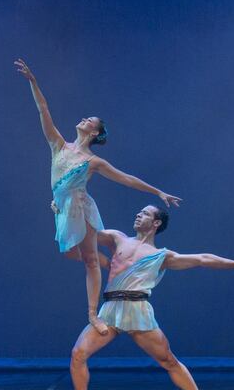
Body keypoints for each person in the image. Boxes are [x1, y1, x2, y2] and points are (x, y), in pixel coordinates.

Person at [15, 59, 182, 335]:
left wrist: (157, 191)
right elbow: (43, 109)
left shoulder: (93, 162)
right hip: (63, 209)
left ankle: (93, 314)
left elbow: (126, 178)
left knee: (90, 261)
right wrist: (33, 81)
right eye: (85, 118)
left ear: (93, 132)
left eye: (89, 121)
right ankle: (111, 263)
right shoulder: (59, 145)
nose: (83, 120)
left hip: (81, 207)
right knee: (71, 253)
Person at [64, 204, 234, 390]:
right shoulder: (117, 238)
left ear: (156, 223)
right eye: (139, 211)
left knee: (168, 360)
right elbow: (85, 232)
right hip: (110, 310)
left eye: (145, 213)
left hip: (138, 310)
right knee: (78, 353)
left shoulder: (162, 256)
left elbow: (202, 259)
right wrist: (64, 211)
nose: (138, 214)